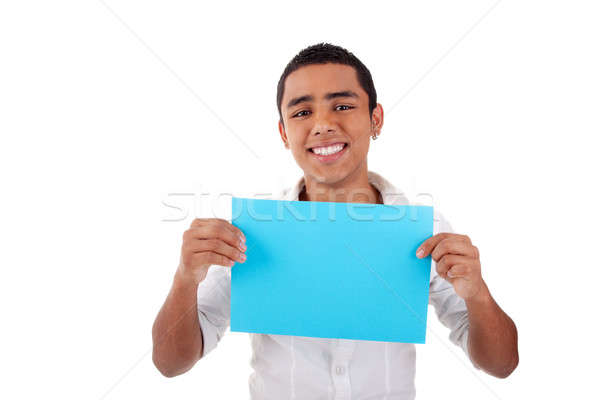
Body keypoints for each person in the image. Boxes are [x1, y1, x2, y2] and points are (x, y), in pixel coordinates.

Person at [151, 42, 519, 399]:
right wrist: (185, 279)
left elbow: (502, 365)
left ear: (375, 119)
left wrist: (478, 295)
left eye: (342, 105)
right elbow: (170, 364)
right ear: (284, 133)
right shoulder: (251, 233)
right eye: (301, 112)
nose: (323, 125)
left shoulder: (425, 231)